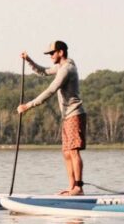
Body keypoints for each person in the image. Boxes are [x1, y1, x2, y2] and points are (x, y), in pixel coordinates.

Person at [17, 41, 87, 195]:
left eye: (52, 53)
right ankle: (71, 187)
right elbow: (42, 72)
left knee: (73, 151)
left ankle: (78, 188)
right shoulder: (60, 67)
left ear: (61, 52)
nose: (50, 56)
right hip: (67, 116)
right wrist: (29, 61)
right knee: (66, 152)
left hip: (75, 113)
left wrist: (28, 106)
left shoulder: (67, 69)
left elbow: (50, 90)